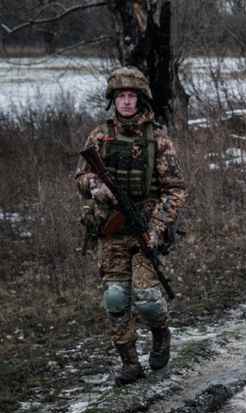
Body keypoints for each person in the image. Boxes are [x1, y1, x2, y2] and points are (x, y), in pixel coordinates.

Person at [75, 67, 187, 385]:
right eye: (121, 96)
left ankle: (161, 335)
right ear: (114, 100)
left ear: (141, 100)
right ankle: (129, 362)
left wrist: (156, 226)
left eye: (131, 96)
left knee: (148, 298)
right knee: (115, 297)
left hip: (145, 229)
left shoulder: (158, 140)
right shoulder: (100, 136)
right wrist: (96, 186)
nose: (126, 102)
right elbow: (81, 177)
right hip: (110, 230)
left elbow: (176, 189)